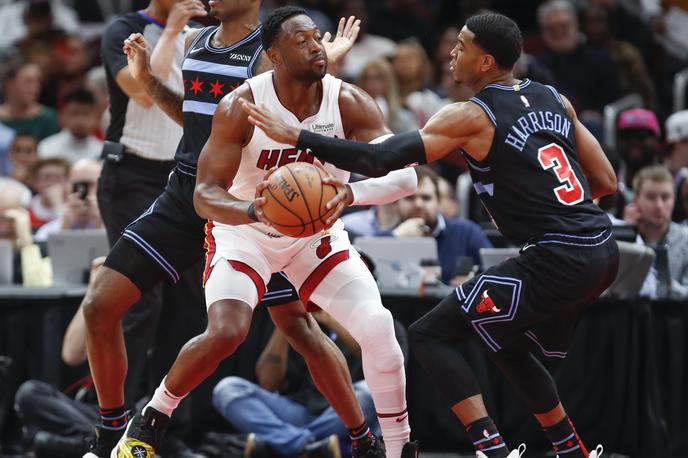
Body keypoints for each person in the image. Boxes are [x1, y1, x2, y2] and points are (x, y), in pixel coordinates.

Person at [243, 12, 619, 458]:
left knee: (429, 334)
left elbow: (387, 158)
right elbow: (606, 181)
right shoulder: (556, 99)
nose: (452, 53)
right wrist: (549, 207)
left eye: (462, 45)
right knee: (504, 339)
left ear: (485, 62)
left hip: (557, 256)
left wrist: (300, 136)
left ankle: (490, 450)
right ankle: (570, 450)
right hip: (601, 249)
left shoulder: (470, 115)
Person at [117, 6, 418, 458]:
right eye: (302, 41)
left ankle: (392, 449)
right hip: (247, 234)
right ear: (273, 56)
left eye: (317, 38)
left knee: (378, 328)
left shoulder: (348, 100)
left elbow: (405, 177)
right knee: (227, 332)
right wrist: (253, 210)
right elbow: (204, 195)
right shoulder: (240, 106)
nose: (317, 46)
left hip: (314, 237)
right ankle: (150, 419)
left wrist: (350, 196)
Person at [212, 309, 380, 458]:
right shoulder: (299, 323)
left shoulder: (379, 324)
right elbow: (268, 382)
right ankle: (308, 447)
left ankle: (282, 444)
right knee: (228, 389)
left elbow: (379, 364)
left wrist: (332, 321)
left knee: (370, 392)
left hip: (344, 415)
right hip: (297, 412)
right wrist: (285, 322)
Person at [388, 166, 492, 286]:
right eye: (410, 198)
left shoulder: (467, 232)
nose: (418, 204)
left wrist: (471, 284)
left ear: (438, 202)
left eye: (426, 198)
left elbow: (494, 273)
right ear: (396, 203)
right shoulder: (387, 238)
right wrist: (393, 238)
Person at [625, 166, 688, 299]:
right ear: (636, 199)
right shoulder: (621, 237)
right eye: (650, 197)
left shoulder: (685, 238)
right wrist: (629, 236)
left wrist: (669, 287)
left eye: (665, 197)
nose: (659, 205)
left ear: (674, 200)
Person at [34, 158, 103, 241]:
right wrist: (65, 227)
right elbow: (45, 251)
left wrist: (100, 225)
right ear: (67, 186)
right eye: (77, 185)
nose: (83, 191)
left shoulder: (116, 228)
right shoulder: (49, 230)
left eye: (89, 185)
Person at [0, 57, 60, 141]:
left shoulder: (48, 118)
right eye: (28, 81)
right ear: (10, 83)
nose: (35, 88)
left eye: (38, 82)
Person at [38, 88, 103, 163]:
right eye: (74, 113)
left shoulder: (101, 150)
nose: (80, 120)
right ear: (62, 116)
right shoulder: (47, 147)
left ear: (96, 117)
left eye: (86, 114)